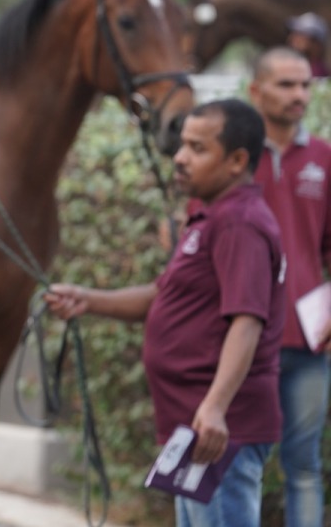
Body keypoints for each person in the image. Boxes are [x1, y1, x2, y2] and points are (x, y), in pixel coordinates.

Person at [45, 99, 285, 527]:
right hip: (192, 424)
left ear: (236, 161)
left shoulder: (240, 223)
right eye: (182, 145)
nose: (179, 157)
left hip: (219, 428)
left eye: (197, 148)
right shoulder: (210, 214)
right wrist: (88, 299)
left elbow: (247, 322)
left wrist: (214, 407)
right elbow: (165, 295)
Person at [248, 47, 331, 527]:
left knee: (303, 468)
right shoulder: (232, 154)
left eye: (305, 85)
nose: (299, 94)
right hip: (242, 339)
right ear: (256, 91)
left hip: (308, 343)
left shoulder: (324, 157)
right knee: (241, 463)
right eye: (286, 84)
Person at [284, 12, 328, 79]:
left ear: (315, 43)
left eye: (300, 34)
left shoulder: (318, 76)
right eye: (294, 33)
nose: (292, 39)